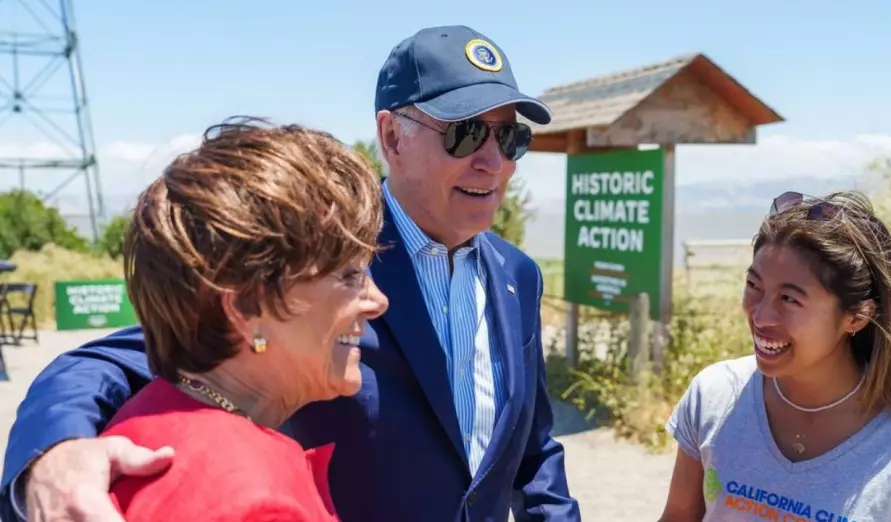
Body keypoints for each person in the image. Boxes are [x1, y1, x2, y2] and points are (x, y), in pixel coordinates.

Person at [1, 25, 581, 522]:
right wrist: (52, 453)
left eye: (510, 137)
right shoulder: (315, 251)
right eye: (467, 133)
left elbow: (530, 449)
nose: (493, 160)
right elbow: (128, 358)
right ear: (391, 137)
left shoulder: (517, 275)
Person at [113, 118, 388, 520]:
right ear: (244, 308)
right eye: (349, 276)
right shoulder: (254, 501)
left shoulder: (145, 422)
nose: (377, 301)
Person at [658, 190, 891, 522]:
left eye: (789, 298)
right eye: (754, 286)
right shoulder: (715, 394)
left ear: (857, 317)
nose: (760, 317)